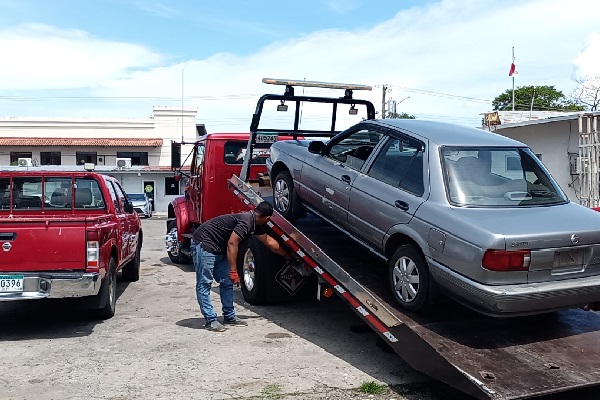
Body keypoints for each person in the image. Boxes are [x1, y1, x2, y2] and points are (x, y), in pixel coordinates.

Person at [191, 201, 293, 332]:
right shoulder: (246, 222)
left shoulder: (256, 224)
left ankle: (229, 316)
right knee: (204, 283)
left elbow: (269, 242)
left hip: (219, 247)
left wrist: (287, 254)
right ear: (267, 218)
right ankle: (210, 320)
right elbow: (232, 244)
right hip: (205, 245)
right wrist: (234, 271)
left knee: (227, 282)